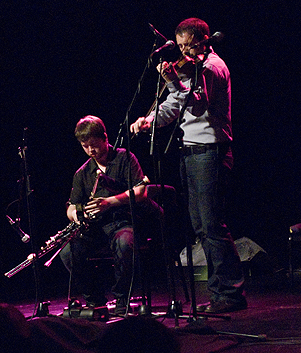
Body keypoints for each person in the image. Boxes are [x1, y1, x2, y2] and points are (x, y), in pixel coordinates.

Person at [130, 18, 246, 313]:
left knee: (211, 223)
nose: (182, 52)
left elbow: (197, 103)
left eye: (187, 46)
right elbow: (174, 102)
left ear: (203, 40)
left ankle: (230, 293)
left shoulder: (211, 67)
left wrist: (173, 81)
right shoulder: (191, 69)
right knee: (200, 224)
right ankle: (221, 291)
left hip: (211, 151)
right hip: (191, 152)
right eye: (179, 46)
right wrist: (150, 119)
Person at [66, 115, 159, 315]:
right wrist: (76, 215)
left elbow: (141, 191)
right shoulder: (82, 173)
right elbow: (71, 207)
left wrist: (109, 202)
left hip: (123, 222)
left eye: (94, 145)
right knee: (67, 251)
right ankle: (94, 300)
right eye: (85, 146)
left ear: (105, 138)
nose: (90, 150)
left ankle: (122, 298)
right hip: (97, 228)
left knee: (125, 243)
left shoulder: (125, 158)